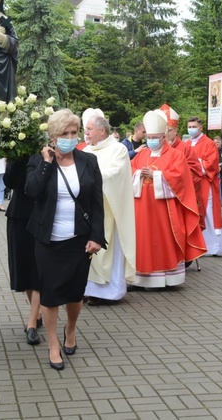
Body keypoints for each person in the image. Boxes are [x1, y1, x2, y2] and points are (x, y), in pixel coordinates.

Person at [25, 109, 105, 371]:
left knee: (74, 294)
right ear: (52, 137)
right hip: (48, 241)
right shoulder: (40, 161)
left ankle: (70, 329)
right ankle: (52, 344)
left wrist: (96, 236)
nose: (71, 138)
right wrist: (48, 163)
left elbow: (96, 202)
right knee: (49, 295)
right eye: (64, 134)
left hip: (79, 240)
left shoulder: (88, 161)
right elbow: (31, 191)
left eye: (74, 133)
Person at [130, 110, 206, 287]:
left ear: (164, 137)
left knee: (163, 241)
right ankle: (141, 278)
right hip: (142, 208)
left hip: (164, 210)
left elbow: (180, 177)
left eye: (155, 137)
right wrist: (138, 174)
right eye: (149, 137)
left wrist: (157, 175)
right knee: (142, 240)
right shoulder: (141, 154)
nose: (152, 140)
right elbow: (130, 170)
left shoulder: (176, 155)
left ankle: (167, 278)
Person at [82, 113, 137, 304]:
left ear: (102, 130)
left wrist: (87, 179)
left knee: (108, 250)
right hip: (87, 210)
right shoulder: (86, 150)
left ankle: (109, 293)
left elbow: (115, 174)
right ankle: (87, 290)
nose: (86, 133)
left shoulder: (118, 150)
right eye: (85, 129)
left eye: (89, 129)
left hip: (109, 210)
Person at [4, 156, 43, 345]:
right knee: (23, 268)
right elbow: (9, 182)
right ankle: (37, 312)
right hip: (18, 215)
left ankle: (32, 322)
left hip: (41, 215)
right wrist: (17, 159)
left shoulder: (45, 154)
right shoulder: (16, 153)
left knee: (37, 270)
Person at [187, 116, 222, 256]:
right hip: (191, 184)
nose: (191, 129)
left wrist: (196, 162)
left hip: (205, 183)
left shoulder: (208, 143)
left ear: (200, 128)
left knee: (208, 213)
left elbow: (212, 164)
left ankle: (214, 246)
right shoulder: (187, 144)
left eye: (194, 127)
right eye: (189, 127)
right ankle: (199, 244)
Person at [161, 104, 205, 229]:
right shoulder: (157, 150)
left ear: (175, 130)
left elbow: (196, 172)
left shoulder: (185, 148)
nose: (165, 134)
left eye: (168, 130)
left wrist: (174, 178)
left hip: (180, 197)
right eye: (162, 131)